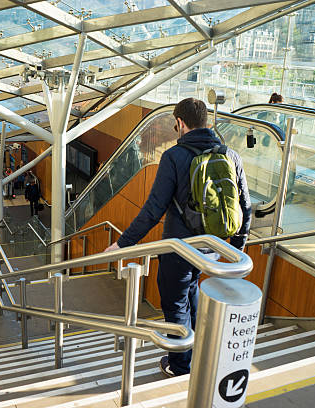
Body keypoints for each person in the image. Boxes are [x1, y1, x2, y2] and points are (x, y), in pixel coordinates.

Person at [104, 98, 251, 378]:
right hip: (212, 250)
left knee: (174, 302)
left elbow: (153, 209)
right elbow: (245, 208)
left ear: (181, 123)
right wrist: (237, 249)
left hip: (179, 249)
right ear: (206, 121)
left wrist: (122, 244)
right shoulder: (231, 155)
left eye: (175, 124)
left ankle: (181, 366)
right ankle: (199, 351)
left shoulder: (174, 156)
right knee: (192, 291)